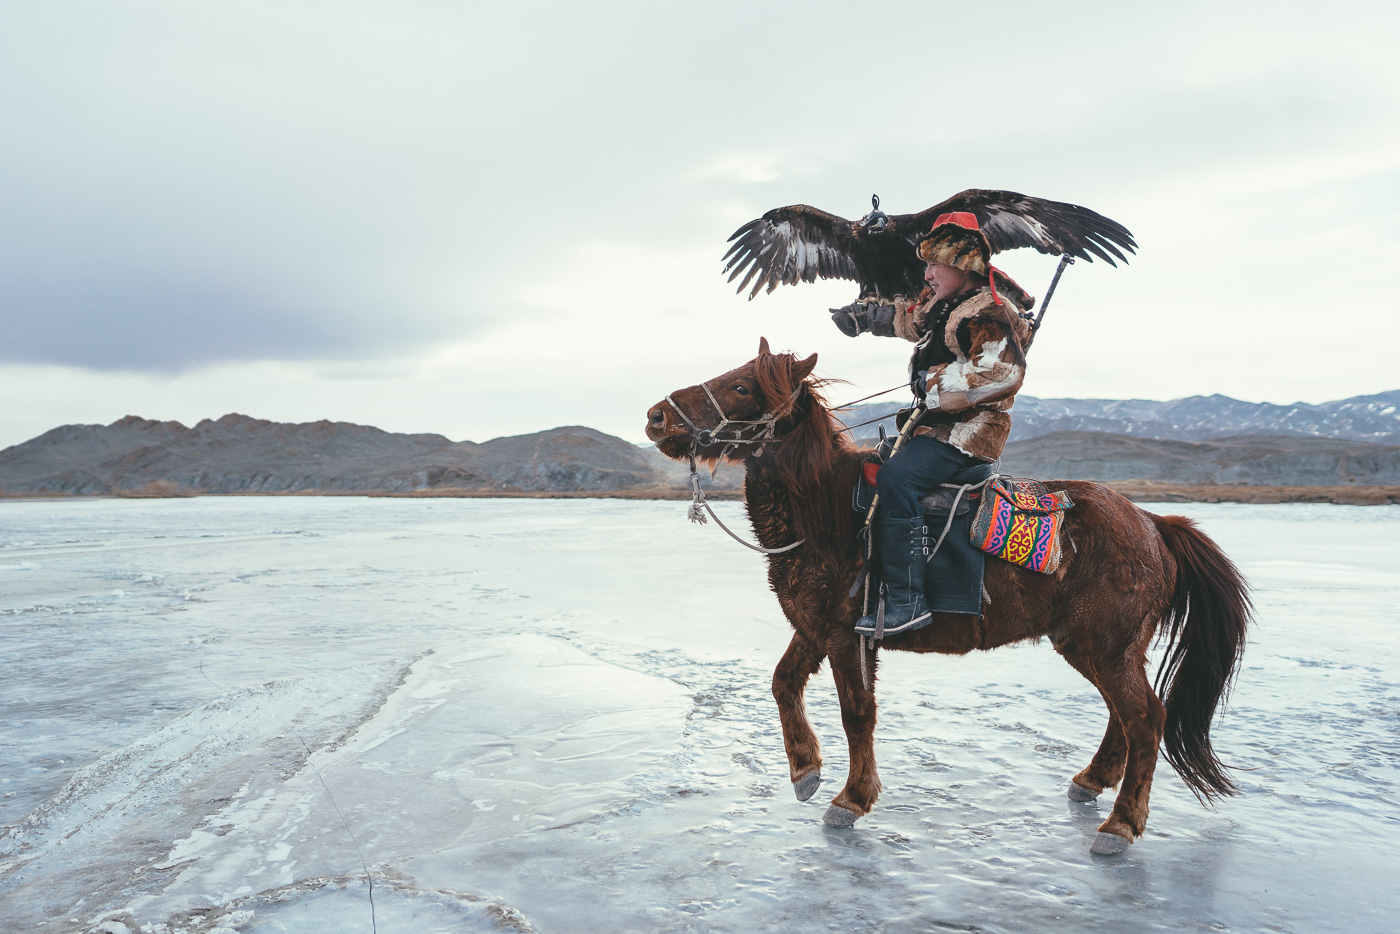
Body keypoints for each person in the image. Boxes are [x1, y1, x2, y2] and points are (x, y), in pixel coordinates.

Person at [831, 212, 1035, 635]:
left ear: (960, 265)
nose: (926, 274)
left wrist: (934, 382)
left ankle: (908, 602)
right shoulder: (950, 305)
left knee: (897, 481)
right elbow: (913, 321)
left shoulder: (989, 312)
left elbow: (1002, 374)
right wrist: (867, 319)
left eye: (932, 265)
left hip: (969, 431)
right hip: (935, 426)